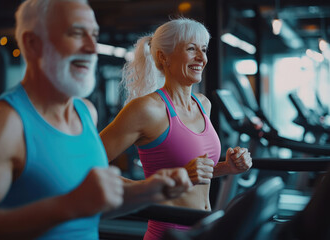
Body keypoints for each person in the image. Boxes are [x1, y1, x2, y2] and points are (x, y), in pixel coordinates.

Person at [0, 0, 193, 239]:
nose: (92, 47)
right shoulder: (5, 123)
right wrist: (67, 206)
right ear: (33, 44)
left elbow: (91, 207)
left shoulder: (85, 113)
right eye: (76, 33)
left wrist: (148, 191)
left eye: (94, 35)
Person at [100, 18, 253, 240]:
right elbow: (85, 163)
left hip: (202, 230)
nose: (201, 58)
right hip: (168, 234)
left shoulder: (203, 104)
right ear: (163, 56)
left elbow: (193, 175)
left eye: (203, 49)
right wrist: (151, 187)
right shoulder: (147, 109)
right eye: (191, 49)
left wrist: (226, 168)